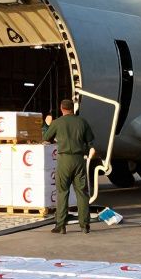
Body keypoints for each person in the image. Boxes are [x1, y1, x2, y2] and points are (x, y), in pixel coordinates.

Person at [42, 98, 96, 235]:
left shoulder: (57, 122)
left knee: (62, 192)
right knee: (82, 193)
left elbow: (46, 137)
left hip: (64, 160)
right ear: (73, 108)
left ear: (61, 108)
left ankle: (61, 226)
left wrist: (47, 125)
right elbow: (90, 141)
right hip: (79, 160)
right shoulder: (82, 122)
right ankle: (85, 225)